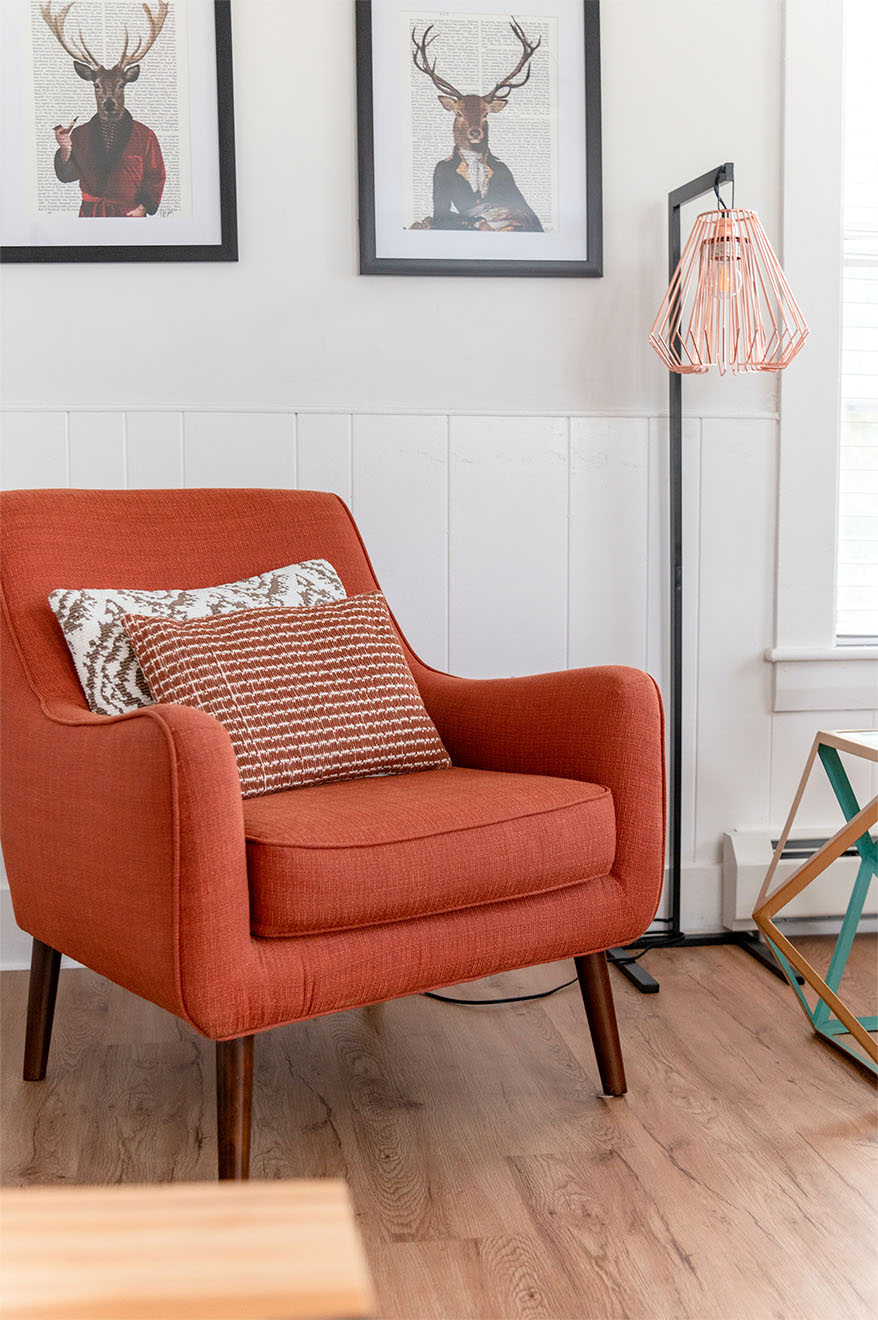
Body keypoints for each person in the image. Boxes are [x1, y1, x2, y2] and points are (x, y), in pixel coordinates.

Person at [53, 111, 165, 217]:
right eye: (101, 90)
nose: (107, 96)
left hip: (129, 214)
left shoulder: (144, 134)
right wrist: (66, 148)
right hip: (91, 214)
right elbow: (68, 175)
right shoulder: (81, 133)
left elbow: (156, 174)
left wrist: (143, 207)